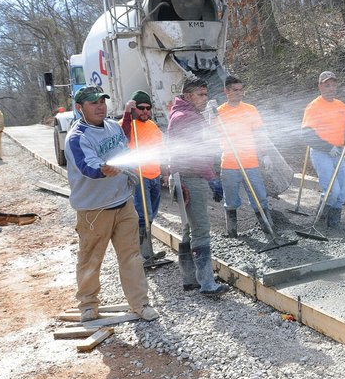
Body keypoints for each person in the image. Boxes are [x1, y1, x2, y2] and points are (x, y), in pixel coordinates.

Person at [64, 86, 158, 322]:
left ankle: (140, 303)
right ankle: (87, 304)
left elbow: (124, 150)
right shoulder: (77, 138)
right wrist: (105, 169)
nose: (100, 106)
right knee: (90, 259)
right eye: (93, 103)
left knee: (132, 257)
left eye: (102, 101)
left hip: (124, 204)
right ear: (79, 108)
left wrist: (128, 168)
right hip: (94, 211)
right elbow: (88, 167)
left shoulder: (113, 127)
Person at [167, 77, 229, 297]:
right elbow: (196, 154)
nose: (205, 98)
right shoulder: (187, 117)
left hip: (181, 177)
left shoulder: (180, 114)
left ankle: (190, 278)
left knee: (187, 229)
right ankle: (207, 284)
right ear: (187, 96)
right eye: (200, 95)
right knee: (201, 230)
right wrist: (212, 177)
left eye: (206, 94)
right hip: (192, 178)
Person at [217, 75, 274, 237]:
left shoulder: (250, 110)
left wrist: (265, 155)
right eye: (235, 90)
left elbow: (260, 134)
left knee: (260, 197)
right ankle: (232, 233)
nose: (239, 93)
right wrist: (210, 116)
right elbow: (210, 135)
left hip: (250, 163)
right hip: (229, 164)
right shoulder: (219, 112)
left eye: (241, 90)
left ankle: (269, 229)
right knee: (231, 200)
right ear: (226, 91)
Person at [301, 71, 345, 228]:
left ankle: (333, 226)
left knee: (342, 194)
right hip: (321, 153)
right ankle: (318, 223)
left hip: (337, 152)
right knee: (332, 191)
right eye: (327, 85)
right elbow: (306, 135)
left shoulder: (340, 105)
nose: (331, 88)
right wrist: (327, 146)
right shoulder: (313, 106)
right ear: (320, 87)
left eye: (333, 85)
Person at [120, 90, 167, 265]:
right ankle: (143, 254)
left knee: (151, 214)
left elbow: (160, 149)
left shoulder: (153, 126)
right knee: (142, 215)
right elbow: (121, 140)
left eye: (148, 108)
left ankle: (148, 251)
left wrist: (164, 172)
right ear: (134, 108)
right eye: (141, 108)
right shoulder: (127, 124)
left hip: (154, 176)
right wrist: (127, 114)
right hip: (139, 177)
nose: (145, 111)